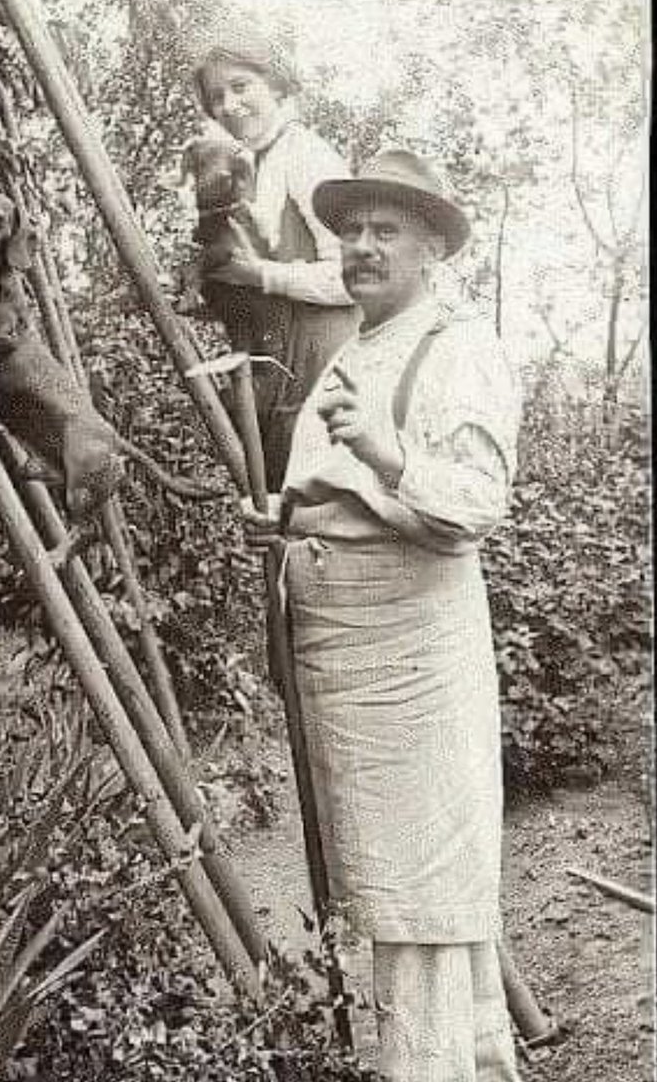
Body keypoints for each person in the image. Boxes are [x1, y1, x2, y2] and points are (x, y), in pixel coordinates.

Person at [244, 149, 522, 1080]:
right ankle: (469, 1066)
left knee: (421, 897)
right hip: (342, 655)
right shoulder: (350, 352)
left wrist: (390, 455)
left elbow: (475, 505)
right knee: (391, 891)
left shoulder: (458, 349)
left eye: (385, 231)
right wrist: (283, 518)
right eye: (350, 231)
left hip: (411, 655)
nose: (361, 247)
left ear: (431, 249)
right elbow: (328, 486)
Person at [192, 29, 360, 488]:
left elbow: (355, 276)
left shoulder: (306, 155)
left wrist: (261, 275)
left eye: (241, 86)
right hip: (279, 365)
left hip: (324, 362)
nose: (228, 105)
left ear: (278, 85)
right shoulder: (254, 166)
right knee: (279, 512)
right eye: (216, 97)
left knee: (319, 505)